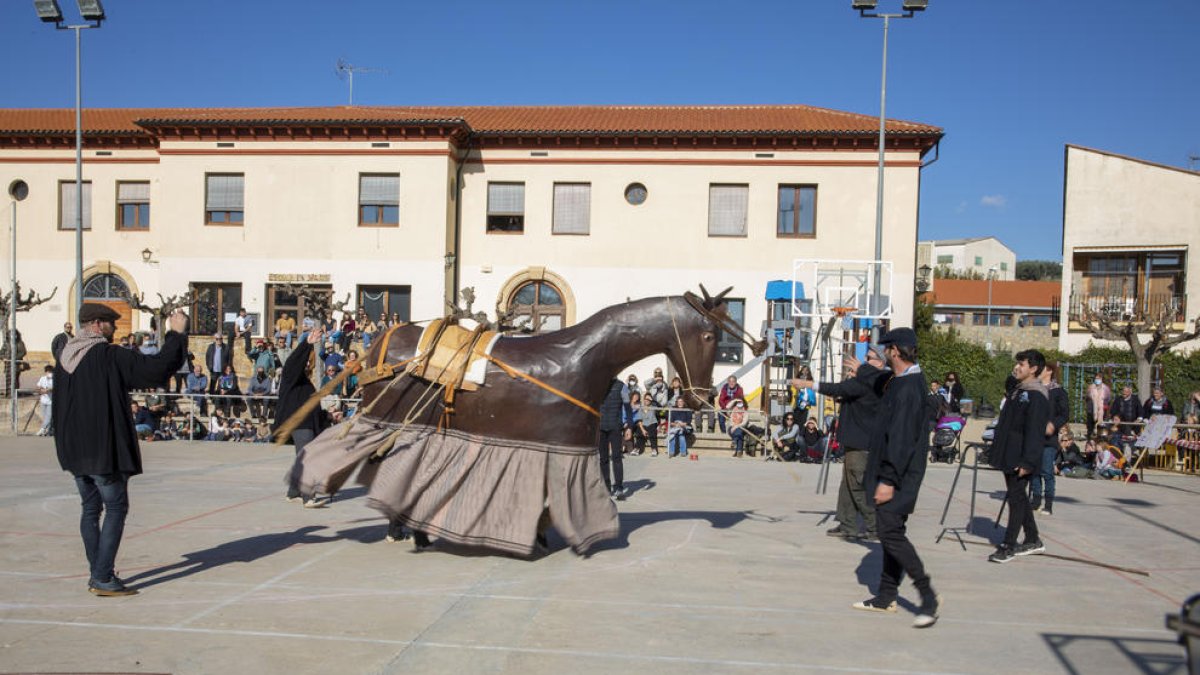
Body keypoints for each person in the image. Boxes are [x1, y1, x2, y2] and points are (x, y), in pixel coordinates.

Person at [53, 303, 187, 597]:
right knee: (115, 507)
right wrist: (176, 334)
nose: (116, 329)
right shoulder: (108, 356)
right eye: (112, 323)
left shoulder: (65, 357)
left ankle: (98, 572)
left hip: (74, 450)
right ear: (99, 325)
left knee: (90, 509)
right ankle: (102, 576)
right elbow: (155, 371)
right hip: (103, 450)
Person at [854, 327, 939, 628]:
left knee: (891, 535)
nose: (884, 354)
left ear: (896, 351)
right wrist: (864, 370)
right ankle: (886, 596)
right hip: (895, 473)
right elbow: (879, 378)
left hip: (897, 476)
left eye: (887, 349)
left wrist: (887, 480)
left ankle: (927, 597)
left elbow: (901, 439)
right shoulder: (906, 382)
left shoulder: (907, 389)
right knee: (891, 536)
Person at [794, 345, 890, 540]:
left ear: (880, 363)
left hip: (862, 442)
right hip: (854, 440)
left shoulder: (874, 380)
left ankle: (874, 526)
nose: (864, 362)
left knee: (857, 485)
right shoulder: (867, 379)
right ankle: (847, 524)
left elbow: (837, 389)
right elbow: (844, 392)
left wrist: (808, 384)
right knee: (847, 485)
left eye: (870, 358)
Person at [988, 349, 1051, 564]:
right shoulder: (1017, 390)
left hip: (1021, 456)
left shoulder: (1037, 395)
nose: (1017, 367)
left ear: (1033, 369)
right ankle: (1033, 538)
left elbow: (1035, 432)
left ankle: (1008, 545)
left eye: (1021, 364)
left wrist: (1027, 461)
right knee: (1019, 497)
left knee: (1015, 499)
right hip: (1009, 452)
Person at [276, 328, 332, 508]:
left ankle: (293, 493)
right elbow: (293, 362)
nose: (308, 365)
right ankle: (309, 497)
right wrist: (307, 344)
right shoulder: (290, 377)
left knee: (302, 458)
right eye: (306, 362)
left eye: (310, 362)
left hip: (307, 424)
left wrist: (327, 416)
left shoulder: (306, 384)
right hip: (299, 424)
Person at [1031, 361, 1069, 516]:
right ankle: (1035, 500)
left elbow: (1065, 414)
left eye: (1043, 368)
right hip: (1034, 436)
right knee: (1033, 470)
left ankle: (1048, 503)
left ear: (1050, 371)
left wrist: (1053, 425)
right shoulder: (1034, 389)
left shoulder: (1058, 392)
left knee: (1047, 470)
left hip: (1049, 438)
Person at [597, 378, 630, 499]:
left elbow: (628, 408)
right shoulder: (598, 385)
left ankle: (619, 488)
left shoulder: (622, 386)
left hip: (615, 427)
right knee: (603, 459)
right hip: (600, 427)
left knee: (617, 457)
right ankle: (606, 487)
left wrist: (629, 427)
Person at [1085, 374, 1112, 439]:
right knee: (1090, 427)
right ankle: (1090, 439)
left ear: (1102, 379)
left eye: (1099, 378)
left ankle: (1100, 439)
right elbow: (1087, 397)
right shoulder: (1091, 387)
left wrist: (1101, 404)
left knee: (1101, 427)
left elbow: (1108, 399)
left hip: (1102, 411)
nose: (1097, 380)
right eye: (1096, 378)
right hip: (1091, 410)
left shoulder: (1106, 388)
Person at [36, 364, 54, 436]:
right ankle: (48, 431)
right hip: (43, 400)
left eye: (51, 372)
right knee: (44, 417)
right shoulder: (42, 378)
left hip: (50, 401)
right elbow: (38, 386)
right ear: (45, 372)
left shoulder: (54, 379)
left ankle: (42, 429)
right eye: (48, 372)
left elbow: (52, 388)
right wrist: (40, 389)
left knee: (49, 417)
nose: (49, 373)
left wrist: (47, 390)